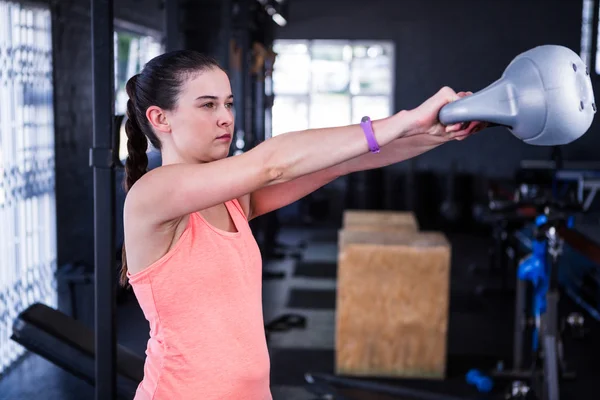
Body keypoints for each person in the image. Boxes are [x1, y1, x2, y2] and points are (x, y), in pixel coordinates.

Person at [121, 49, 487, 400]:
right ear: (160, 119)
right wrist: (409, 118)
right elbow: (273, 162)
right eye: (208, 105)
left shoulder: (232, 198)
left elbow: (343, 161)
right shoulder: (153, 194)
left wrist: (436, 133)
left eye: (228, 103)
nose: (226, 117)